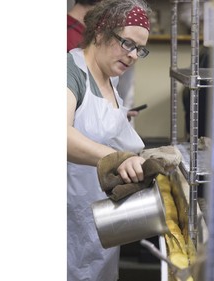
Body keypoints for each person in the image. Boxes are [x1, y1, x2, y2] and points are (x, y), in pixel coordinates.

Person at [67, 0, 151, 280]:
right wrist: (115, 158)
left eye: (140, 49)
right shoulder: (70, 71)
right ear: (101, 33)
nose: (134, 55)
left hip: (100, 223)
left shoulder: (110, 82)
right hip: (68, 220)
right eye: (128, 43)